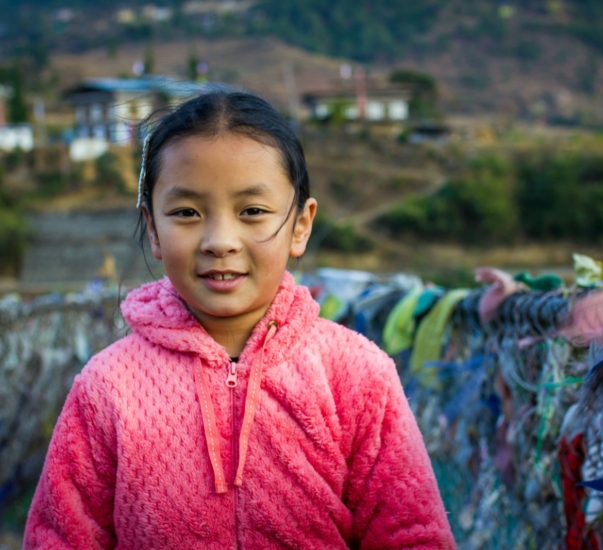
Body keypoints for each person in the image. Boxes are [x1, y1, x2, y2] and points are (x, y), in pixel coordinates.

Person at [23, 92, 455, 549]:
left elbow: (413, 536)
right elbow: (60, 538)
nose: (220, 240)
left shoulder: (358, 375)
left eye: (252, 211)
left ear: (301, 225)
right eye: (187, 213)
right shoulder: (108, 387)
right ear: (152, 227)